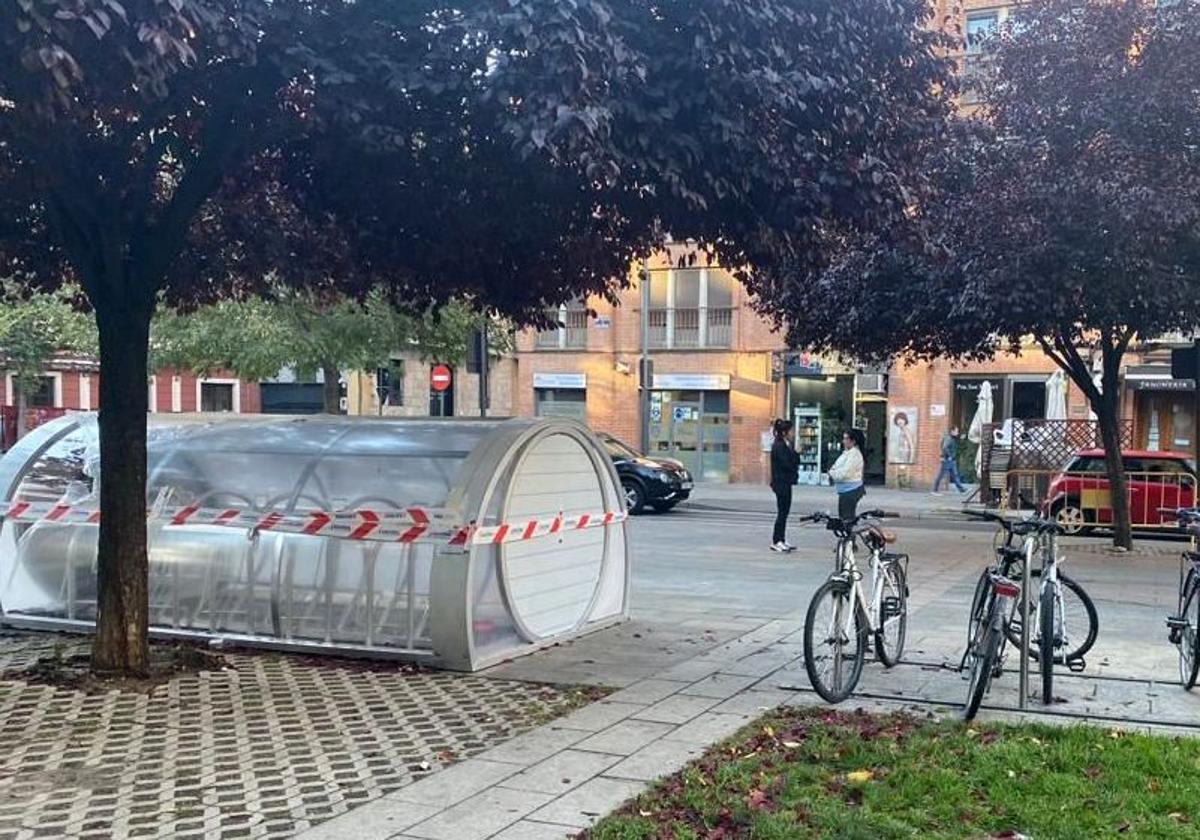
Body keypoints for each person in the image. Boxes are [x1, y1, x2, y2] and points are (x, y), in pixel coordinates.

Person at [769, 418, 800, 553]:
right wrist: (796, 454)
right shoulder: (779, 446)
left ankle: (781, 538)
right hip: (781, 483)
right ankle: (777, 540)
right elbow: (787, 464)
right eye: (791, 431)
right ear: (785, 432)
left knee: (784, 512)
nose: (793, 433)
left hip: (785, 482)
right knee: (782, 512)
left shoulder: (784, 444)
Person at [828, 428, 866, 521]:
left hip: (851, 490)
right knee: (844, 517)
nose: (843, 441)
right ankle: (848, 534)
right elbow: (835, 466)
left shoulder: (854, 454)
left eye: (846, 439)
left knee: (847, 518)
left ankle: (850, 534)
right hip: (845, 490)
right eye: (843, 438)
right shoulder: (847, 453)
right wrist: (833, 471)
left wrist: (832, 474)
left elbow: (845, 473)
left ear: (853, 441)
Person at [932, 426, 967, 494]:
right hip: (947, 460)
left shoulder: (951, 438)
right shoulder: (948, 438)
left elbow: (950, 445)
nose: (958, 432)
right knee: (941, 475)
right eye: (956, 431)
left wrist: (961, 438)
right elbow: (945, 447)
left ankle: (961, 490)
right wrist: (949, 455)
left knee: (955, 475)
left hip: (951, 460)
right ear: (952, 431)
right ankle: (934, 490)